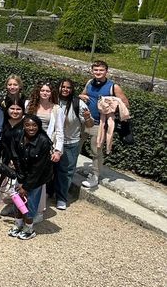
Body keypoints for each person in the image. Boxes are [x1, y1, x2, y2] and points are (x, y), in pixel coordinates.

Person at [79, 61, 128, 188]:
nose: (98, 72)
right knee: (75, 146)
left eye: (101, 70)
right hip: (85, 120)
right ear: (92, 71)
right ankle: (69, 168)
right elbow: (83, 94)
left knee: (96, 151)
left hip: (100, 124)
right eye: (96, 70)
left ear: (106, 71)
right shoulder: (89, 83)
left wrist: (111, 103)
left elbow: (125, 105)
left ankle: (95, 176)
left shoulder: (114, 87)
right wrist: (83, 97)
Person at [7, 116, 54, 240]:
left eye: (34, 125)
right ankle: (18, 224)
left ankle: (29, 228)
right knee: (18, 200)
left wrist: (26, 186)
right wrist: (21, 180)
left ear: (38, 127)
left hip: (37, 177)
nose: (31, 128)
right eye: (28, 125)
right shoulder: (18, 136)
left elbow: (38, 168)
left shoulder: (43, 141)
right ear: (24, 125)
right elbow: (15, 157)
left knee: (30, 203)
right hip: (22, 173)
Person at [55, 79, 83, 210]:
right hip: (53, 142)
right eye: (63, 87)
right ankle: (50, 192)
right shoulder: (53, 100)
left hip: (70, 142)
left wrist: (88, 117)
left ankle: (62, 198)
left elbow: (88, 124)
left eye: (68, 87)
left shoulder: (78, 103)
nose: (65, 89)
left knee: (66, 171)